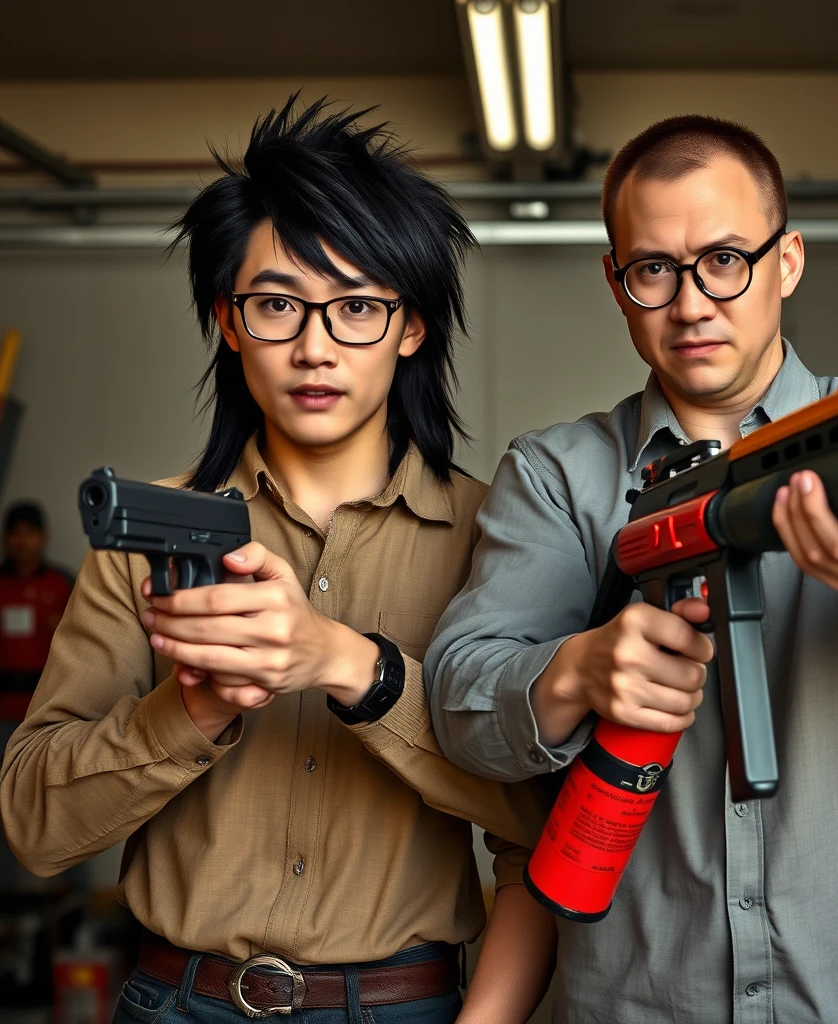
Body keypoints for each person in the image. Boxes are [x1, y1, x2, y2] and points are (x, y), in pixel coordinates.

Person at [425, 115, 838, 1024]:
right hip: (638, 1001)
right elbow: (462, 702)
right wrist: (581, 669)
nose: (693, 303)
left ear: (786, 261)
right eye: (654, 269)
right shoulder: (559, 472)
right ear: (616, 283)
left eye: (725, 259)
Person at [1, 98, 554, 1024]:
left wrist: (352, 668)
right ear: (227, 318)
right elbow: (34, 829)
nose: (314, 345)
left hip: (402, 1006)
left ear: (411, 326)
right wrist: (193, 708)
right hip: (174, 1001)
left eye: (358, 308)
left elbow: (544, 820)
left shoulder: (500, 534)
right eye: (277, 304)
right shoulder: (145, 539)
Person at [0, 502, 73, 723]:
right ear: (6, 537)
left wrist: (65, 625)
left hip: (46, 702)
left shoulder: (62, 583)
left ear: (43, 537)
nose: (22, 541)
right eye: (15, 533)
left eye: (30, 533)